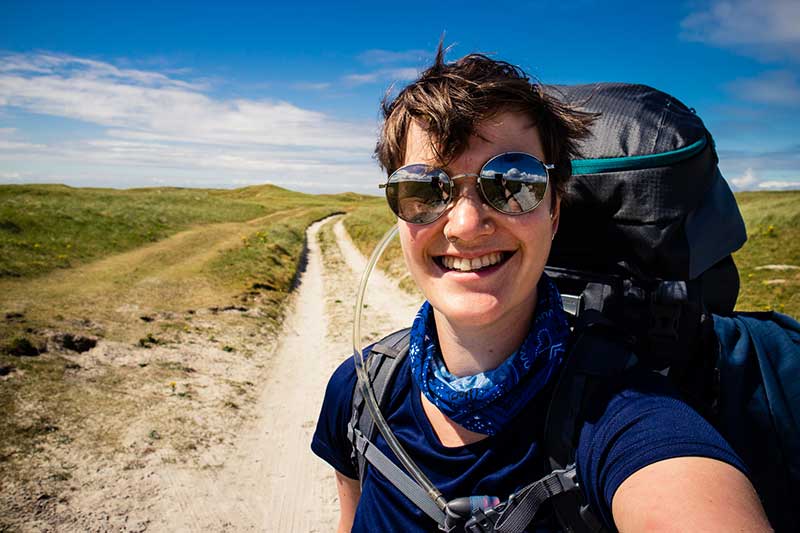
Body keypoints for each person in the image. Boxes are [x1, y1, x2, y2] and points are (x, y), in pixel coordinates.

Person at [311, 47, 772, 532]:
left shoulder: (626, 420)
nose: (465, 226)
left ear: (554, 211)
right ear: (399, 213)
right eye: (425, 189)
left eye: (513, 182)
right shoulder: (360, 391)